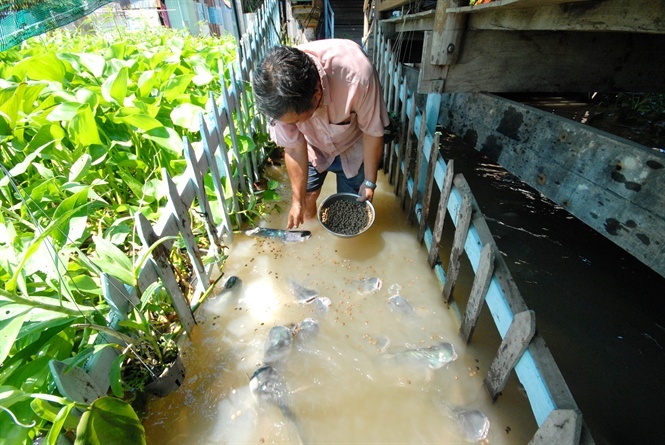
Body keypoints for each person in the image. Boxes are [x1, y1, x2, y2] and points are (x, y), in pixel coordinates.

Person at [252, 39, 389, 229]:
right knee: (307, 196)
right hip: (313, 144)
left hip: (352, 145)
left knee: (352, 203)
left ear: (317, 96)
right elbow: (293, 146)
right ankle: (310, 226)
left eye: (298, 120)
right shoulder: (278, 98)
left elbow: (372, 131)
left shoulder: (358, 78)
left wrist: (369, 182)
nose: (293, 125)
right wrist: (297, 202)